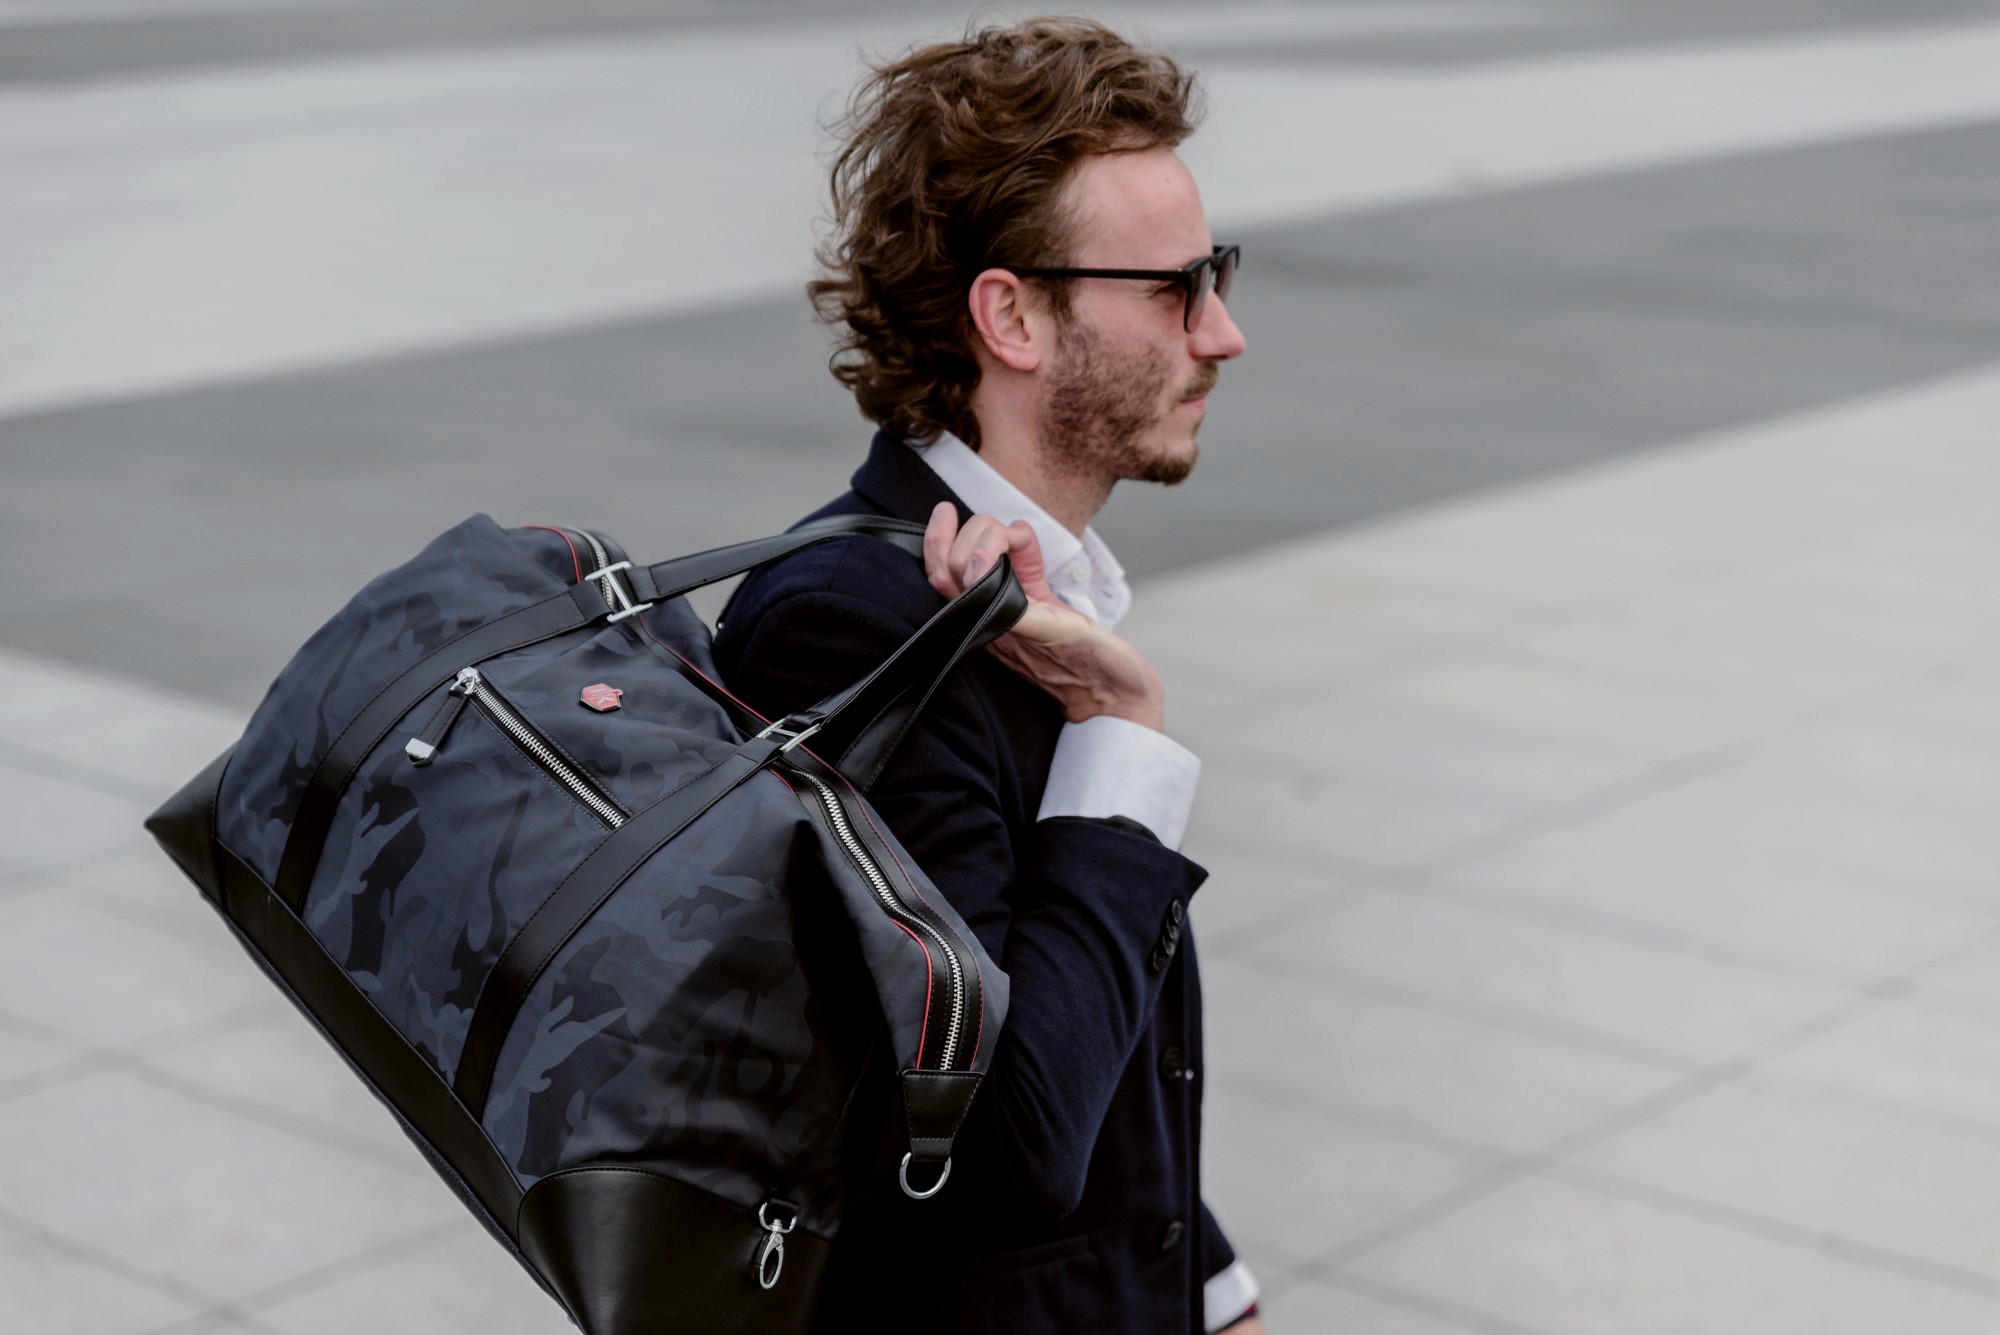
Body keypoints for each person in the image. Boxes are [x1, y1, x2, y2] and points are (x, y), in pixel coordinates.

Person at [713, 17, 1259, 1333]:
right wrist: (1120, 736)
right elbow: (1000, 1141)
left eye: (1219, 273)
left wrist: (1210, 1282)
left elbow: (1100, 1033)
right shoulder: (850, 630)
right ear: (1012, 315)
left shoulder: (1030, 593)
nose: (1224, 332)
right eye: (1175, 287)